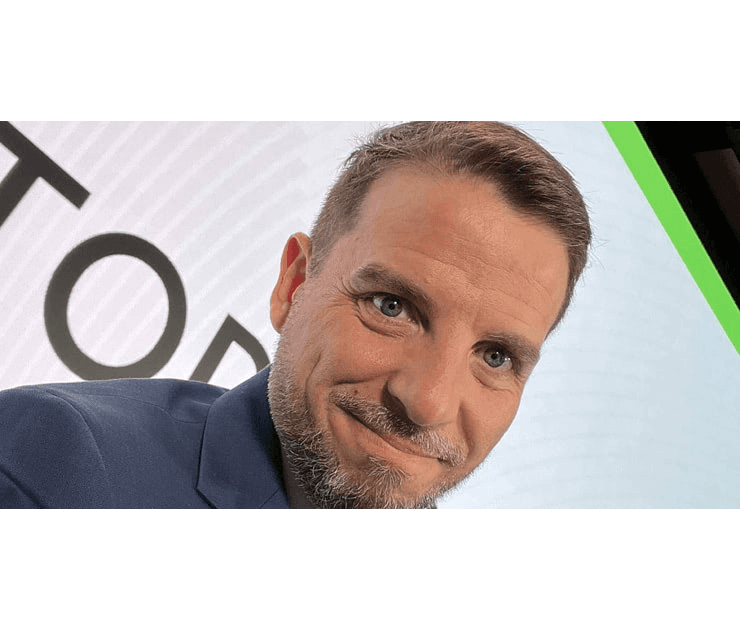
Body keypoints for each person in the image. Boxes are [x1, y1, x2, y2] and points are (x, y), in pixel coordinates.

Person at [0, 122, 591, 509]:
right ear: (295, 284)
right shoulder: (57, 472)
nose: (429, 403)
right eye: (393, 307)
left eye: (496, 357)